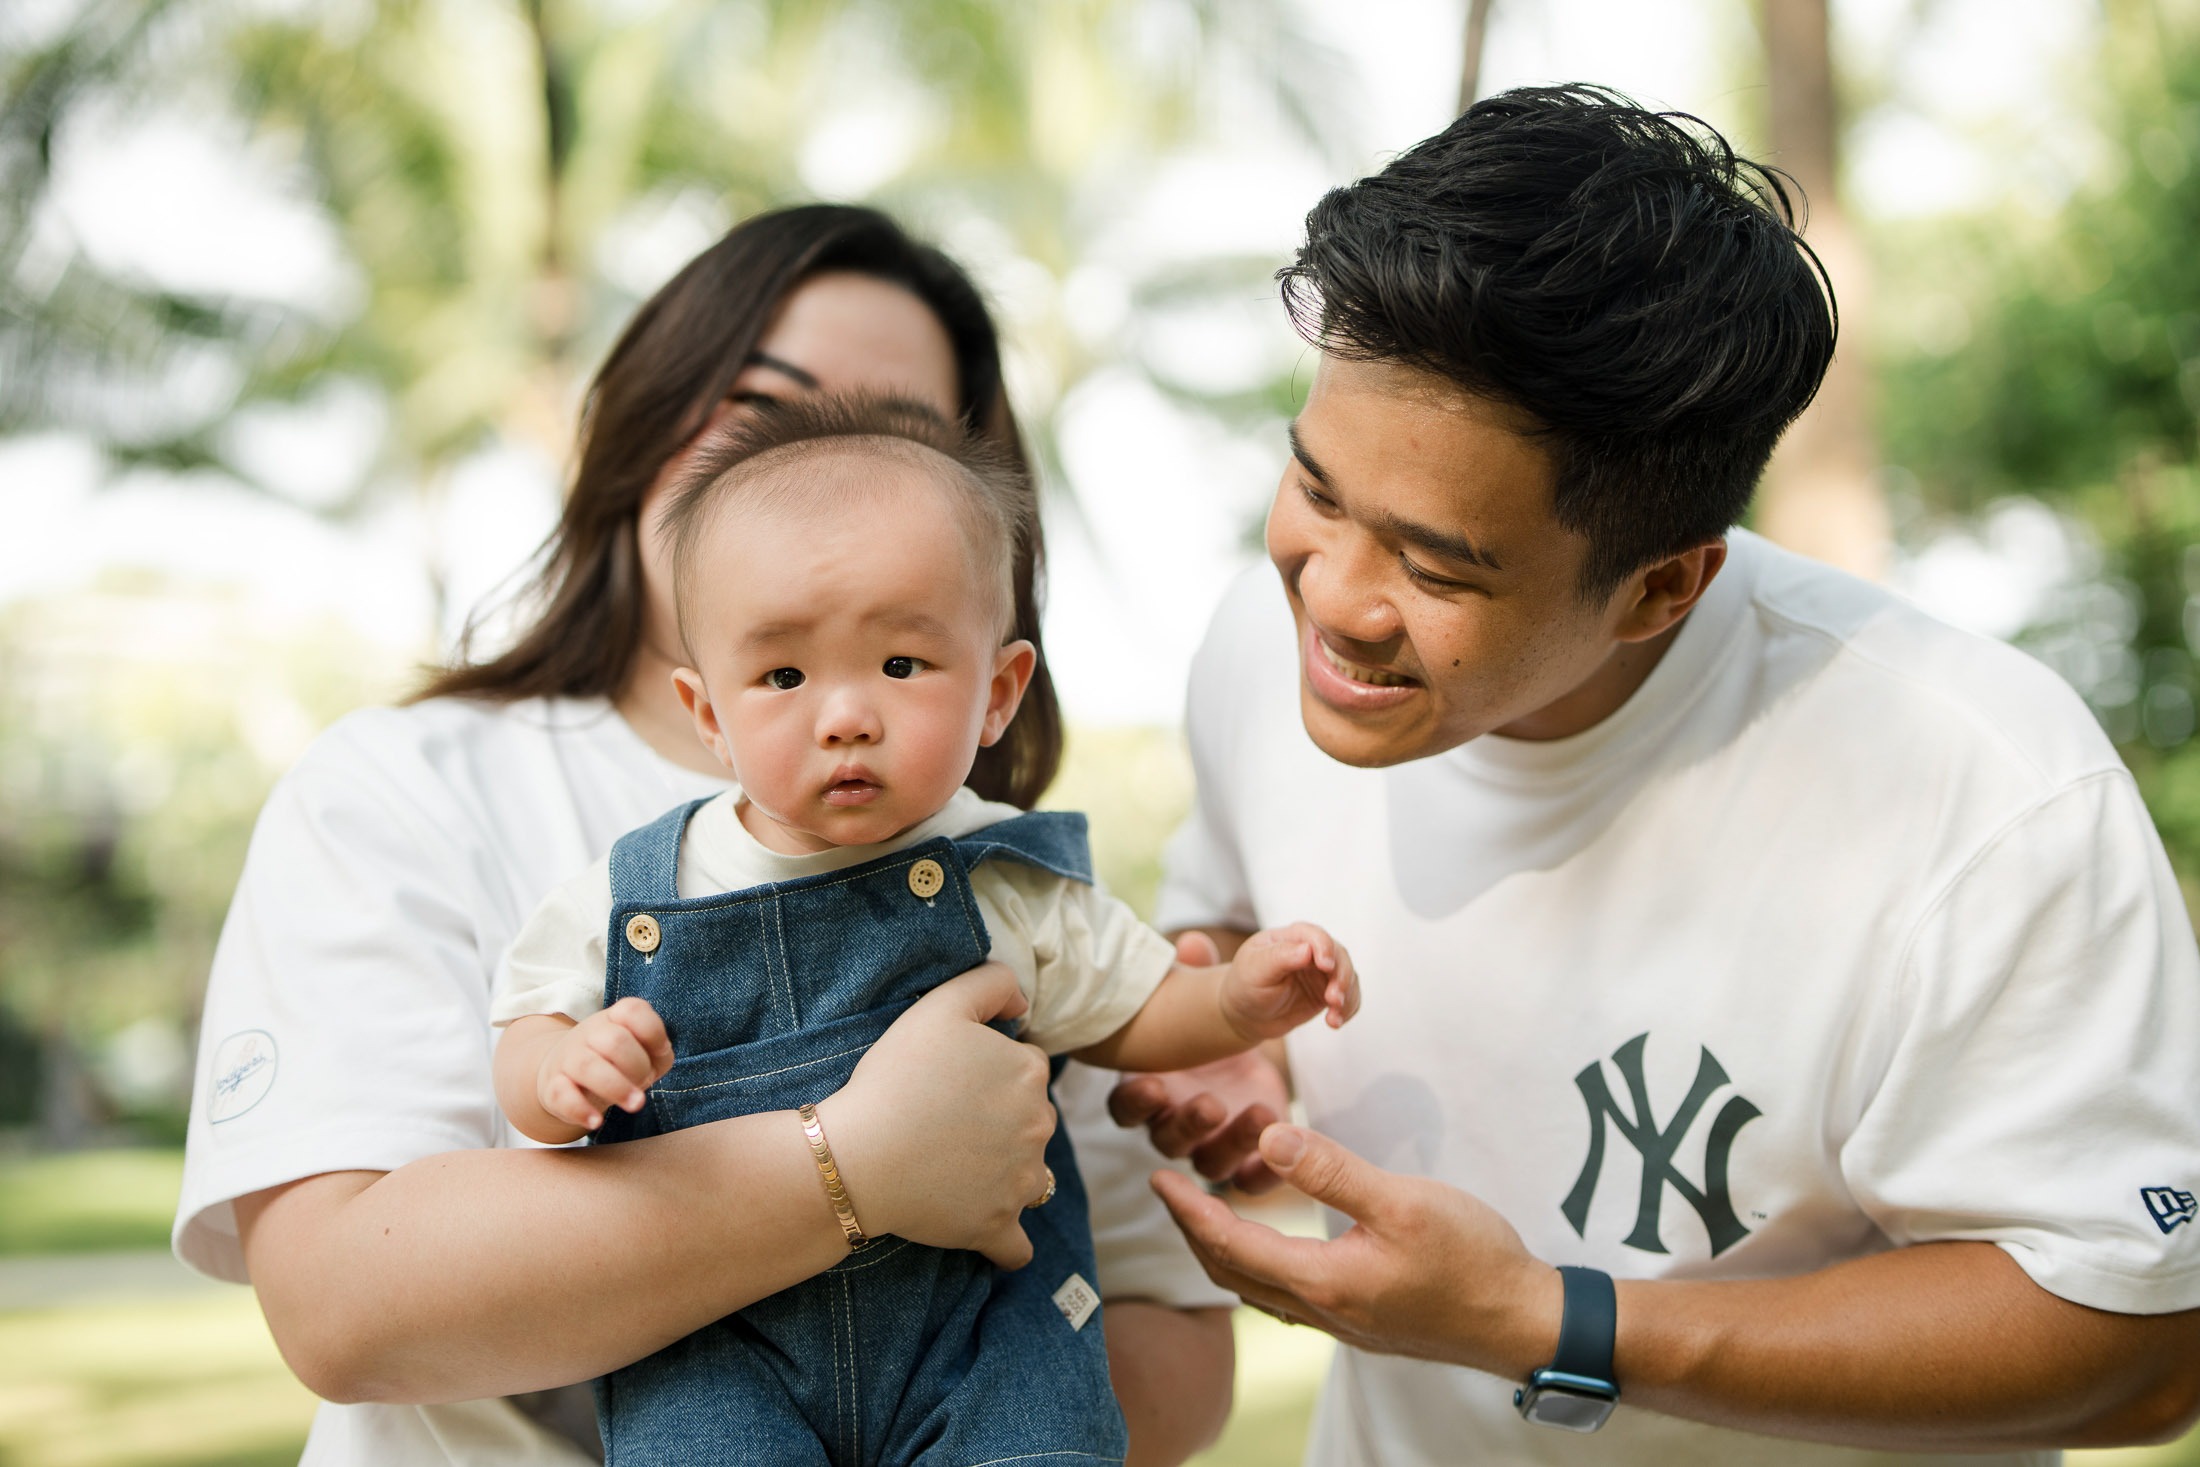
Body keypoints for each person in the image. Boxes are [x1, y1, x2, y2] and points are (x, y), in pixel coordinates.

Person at [1111, 85, 2200, 1464]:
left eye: (1435, 564)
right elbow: (1231, 924)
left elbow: (2143, 1347)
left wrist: (1550, 1319)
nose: (1332, 598)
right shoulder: (1250, 658)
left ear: (1663, 585)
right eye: (1317, 490)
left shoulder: (1980, 792)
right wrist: (1240, 1049)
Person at [173, 204, 1235, 1467]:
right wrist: (854, 1166)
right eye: (762, 406)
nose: (814, 469)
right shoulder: (406, 785)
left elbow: (1169, 1353)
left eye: (891, 436)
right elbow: (347, 1303)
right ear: (643, 419)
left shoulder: (991, 857)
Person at [489, 396, 1357, 1463]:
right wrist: (561, 1070)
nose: (846, 713)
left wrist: (1235, 998)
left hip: (982, 1328)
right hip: (718, 1336)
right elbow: (525, 1038)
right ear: (707, 712)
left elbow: (1133, 1008)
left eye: (901, 666)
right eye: (782, 676)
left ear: (997, 693)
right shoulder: (639, 894)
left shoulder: (1003, 880)